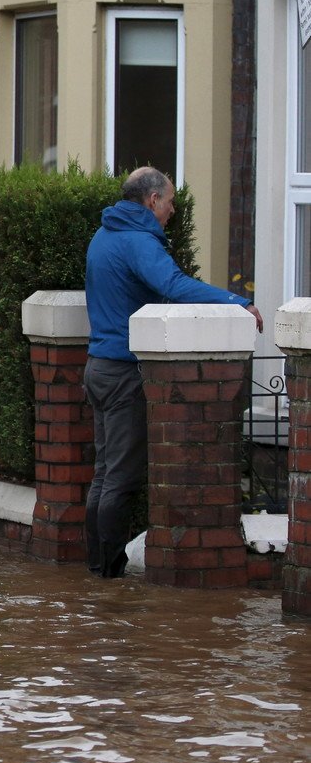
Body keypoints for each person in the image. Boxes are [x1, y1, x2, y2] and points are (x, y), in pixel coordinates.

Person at [83, 166, 261, 579]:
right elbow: (175, 285)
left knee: (104, 473)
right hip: (125, 373)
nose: (171, 211)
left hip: (98, 367)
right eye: (169, 203)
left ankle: (96, 568)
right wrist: (237, 301)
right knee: (121, 480)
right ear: (151, 201)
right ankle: (108, 573)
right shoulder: (138, 242)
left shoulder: (105, 234)